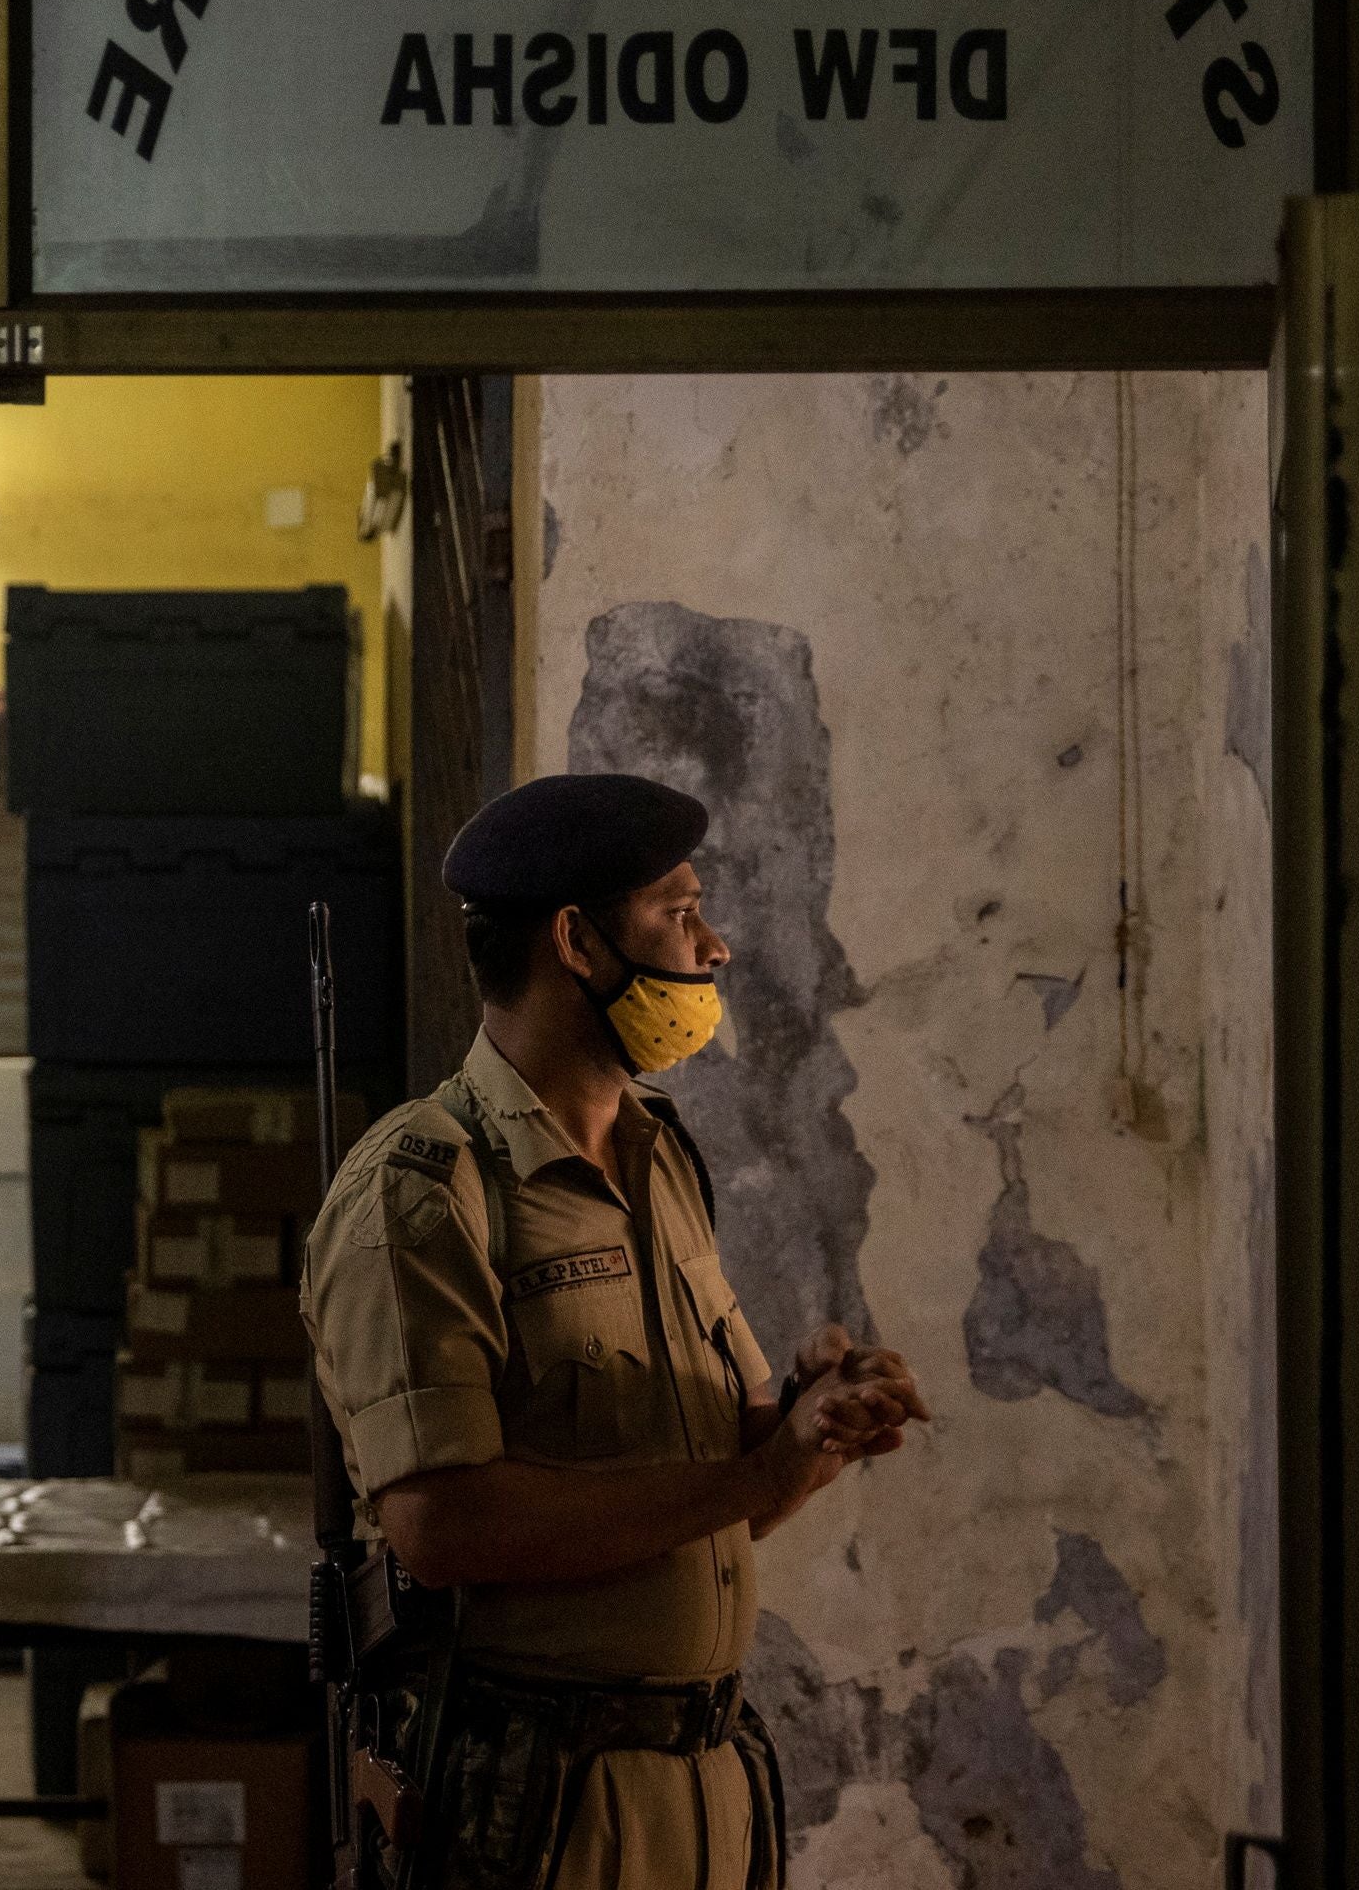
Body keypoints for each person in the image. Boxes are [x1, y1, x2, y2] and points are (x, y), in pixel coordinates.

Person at [302, 773, 927, 1890]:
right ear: (577, 943)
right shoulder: (422, 1188)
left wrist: (810, 1424)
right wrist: (751, 1475)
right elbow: (441, 1523)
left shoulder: (657, 1158)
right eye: (677, 913)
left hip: (706, 1786)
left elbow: (721, 1484)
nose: (713, 947)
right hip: (540, 1815)